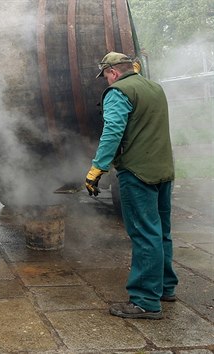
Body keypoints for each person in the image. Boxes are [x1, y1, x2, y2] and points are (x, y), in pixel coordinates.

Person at [85, 51, 178, 320]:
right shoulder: (154, 88)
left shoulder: (119, 92)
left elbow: (113, 130)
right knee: (161, 231)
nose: (106, 81)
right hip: (163, 170)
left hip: (137, 173)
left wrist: (97, 168)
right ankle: (165, 288)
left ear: (113, 72)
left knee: (144, 234)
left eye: (105, 76)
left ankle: (146, 301)